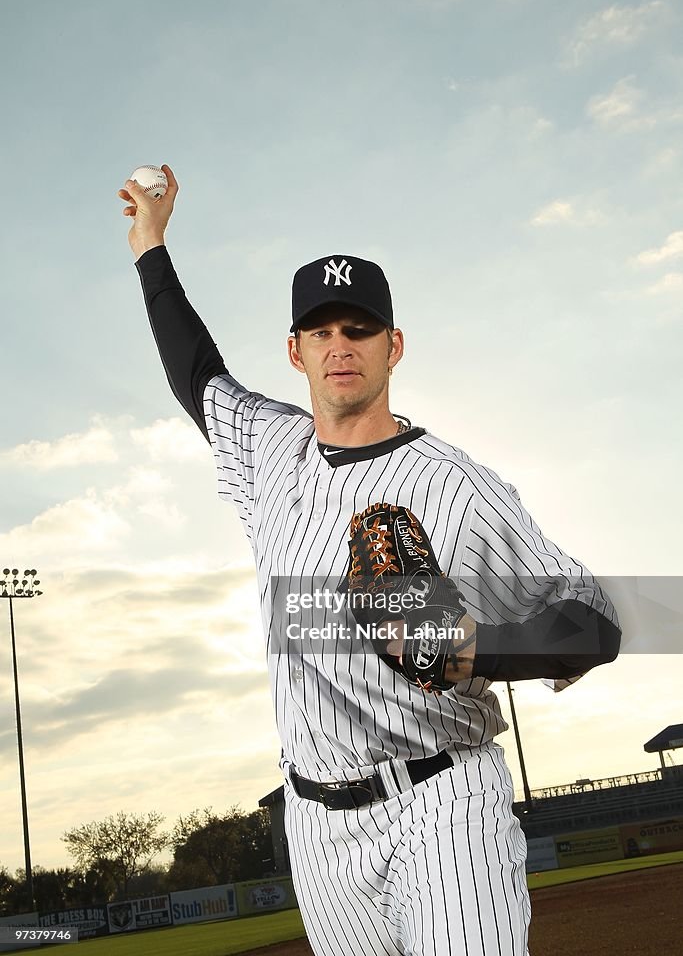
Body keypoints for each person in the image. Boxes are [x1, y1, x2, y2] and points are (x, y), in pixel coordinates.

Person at [119, 165, 621, 956]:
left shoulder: (455, 484)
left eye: (358, 330)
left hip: (440, 803)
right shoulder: (268, 448)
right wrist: (151, 245)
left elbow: (594, 623)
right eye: (321, 331)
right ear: (295, 351)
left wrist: (471, 650)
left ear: (393, 346)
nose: (339, 346)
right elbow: (196, 373)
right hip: (314, 828)